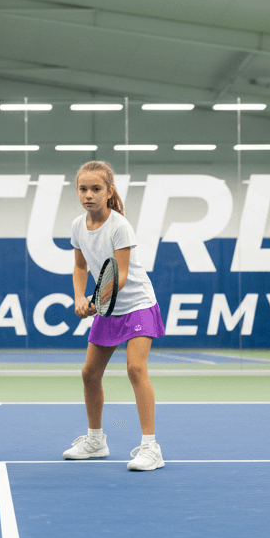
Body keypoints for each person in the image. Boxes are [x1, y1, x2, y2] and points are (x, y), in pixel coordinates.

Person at [63, 160, 167, 471]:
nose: (88, 195)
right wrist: (79, 298)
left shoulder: (120, 225)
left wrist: (94, 302)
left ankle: (151, 448)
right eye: (83, 189)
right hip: (108, 309)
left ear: (110, 192)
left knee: (136, 369)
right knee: (89, 374)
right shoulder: (77, 226)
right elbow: (80, 267)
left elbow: (120, 275)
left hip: (137, 305)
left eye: (96, 189)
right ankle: (96, 441)